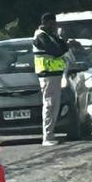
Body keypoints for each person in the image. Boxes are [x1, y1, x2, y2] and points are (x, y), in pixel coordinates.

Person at [32, 13, 76, 147]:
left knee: (54, 106)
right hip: (47, 75)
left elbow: (63, 47)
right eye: (53, 23)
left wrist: (59, 38)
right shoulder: (40, 36)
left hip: (55, 75)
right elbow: (57, 51)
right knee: (50, 105)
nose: (55, 26)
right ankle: (47, 136)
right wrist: (61, 44)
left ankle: (50, 134)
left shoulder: (50, 36)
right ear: (48, 23)